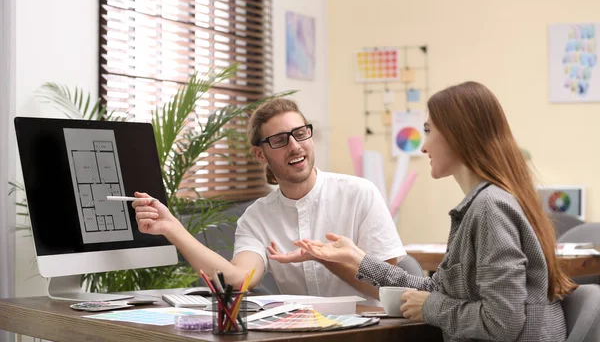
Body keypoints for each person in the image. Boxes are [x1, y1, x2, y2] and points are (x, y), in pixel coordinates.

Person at [293, 82, 576, 342]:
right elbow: (439, 287)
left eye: (428, 131)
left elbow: (502, 322)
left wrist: (431, 308)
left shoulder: (490, 208)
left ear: (457, 135)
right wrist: (360, 259)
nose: (423, 145)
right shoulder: (483, 205)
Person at [133, 98, 405, 305]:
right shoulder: (256, 218)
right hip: (304, 333)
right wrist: (173, 229)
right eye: (279, 140)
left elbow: (387, 289)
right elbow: (237, 281)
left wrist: (327, 259)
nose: (295, 146)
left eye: (300, 133)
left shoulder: (359, 193)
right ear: (260, 155)